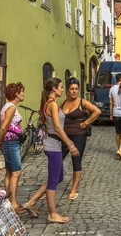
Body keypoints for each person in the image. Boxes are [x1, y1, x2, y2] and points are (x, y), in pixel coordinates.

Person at [23, 78, 79, 223]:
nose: (62, 89)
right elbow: (58, 127)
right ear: (54, 89)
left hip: (54, 145)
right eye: (60, 87)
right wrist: (70, 144)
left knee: (58, 177)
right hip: (53, 145)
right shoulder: (52, 104)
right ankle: (52, 213)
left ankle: (32, 202)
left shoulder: (51, 103)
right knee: (54, 180)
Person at [61, 78, 101, 200]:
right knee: (58, 159)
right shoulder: (63, 103)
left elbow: (97, 111)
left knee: (76, 161)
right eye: (72, 89)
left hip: (78, 135)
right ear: (68, 90)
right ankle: (51, 185)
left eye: (76, 89)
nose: (74, 91)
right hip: (64, 136)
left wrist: (85, 123)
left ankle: (74, 189)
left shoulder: (82, 102)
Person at [0, 82, 26, 213]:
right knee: (16, 172)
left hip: (10, 142)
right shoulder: (11, 107)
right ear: (16, 93)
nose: (24, 94)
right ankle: (13, 203)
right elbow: (4, 126)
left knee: (9, 172)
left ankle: (8, 200)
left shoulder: (8, 106)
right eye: (22, 91)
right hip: (10, 143)